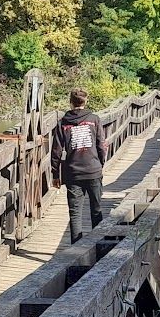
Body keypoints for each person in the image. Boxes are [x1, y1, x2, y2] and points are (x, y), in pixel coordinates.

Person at [51, 87, 108, 242]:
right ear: (86, 101)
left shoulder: (63, 123)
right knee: (96, 209)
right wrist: (100, 164)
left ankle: (76, 250)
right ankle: (99, 246)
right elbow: (101, 145)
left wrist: (55, 175)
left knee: (75, 213)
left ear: (70, 102)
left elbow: (56, 151)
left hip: (73, 173)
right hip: (93, 171)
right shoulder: (94, 119)